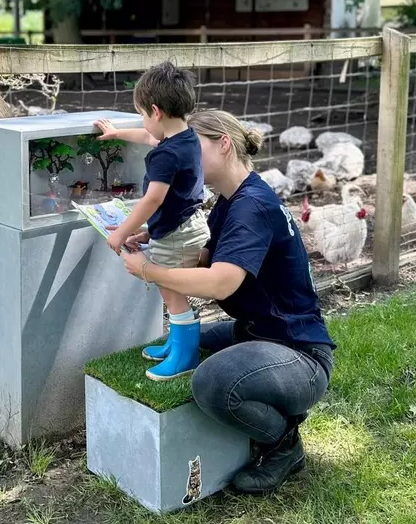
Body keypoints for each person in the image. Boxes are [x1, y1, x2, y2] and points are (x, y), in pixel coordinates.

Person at [118, 109, 335, 495]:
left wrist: (149, 272)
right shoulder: (231, 199)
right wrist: (156, 237)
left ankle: (283, 444)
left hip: (299, 353)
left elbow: (220, 282)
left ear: (224, 144)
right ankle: (265, 400)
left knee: (213, 382)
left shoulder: (251, 206)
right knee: (196, 340)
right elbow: (207, 258)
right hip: (259, 332)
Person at [94, 61, 208, 381]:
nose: (143, 122)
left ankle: (184, 357)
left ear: (155, 111)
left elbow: (153, 199)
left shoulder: (166, 155)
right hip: (185, 226)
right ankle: (176, 344)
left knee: (172, 292)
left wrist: (122, 233)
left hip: (177, 234)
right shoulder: (185, 138)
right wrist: (118, 133)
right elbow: (148, 137)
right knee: (169, 291)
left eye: (142, 114)